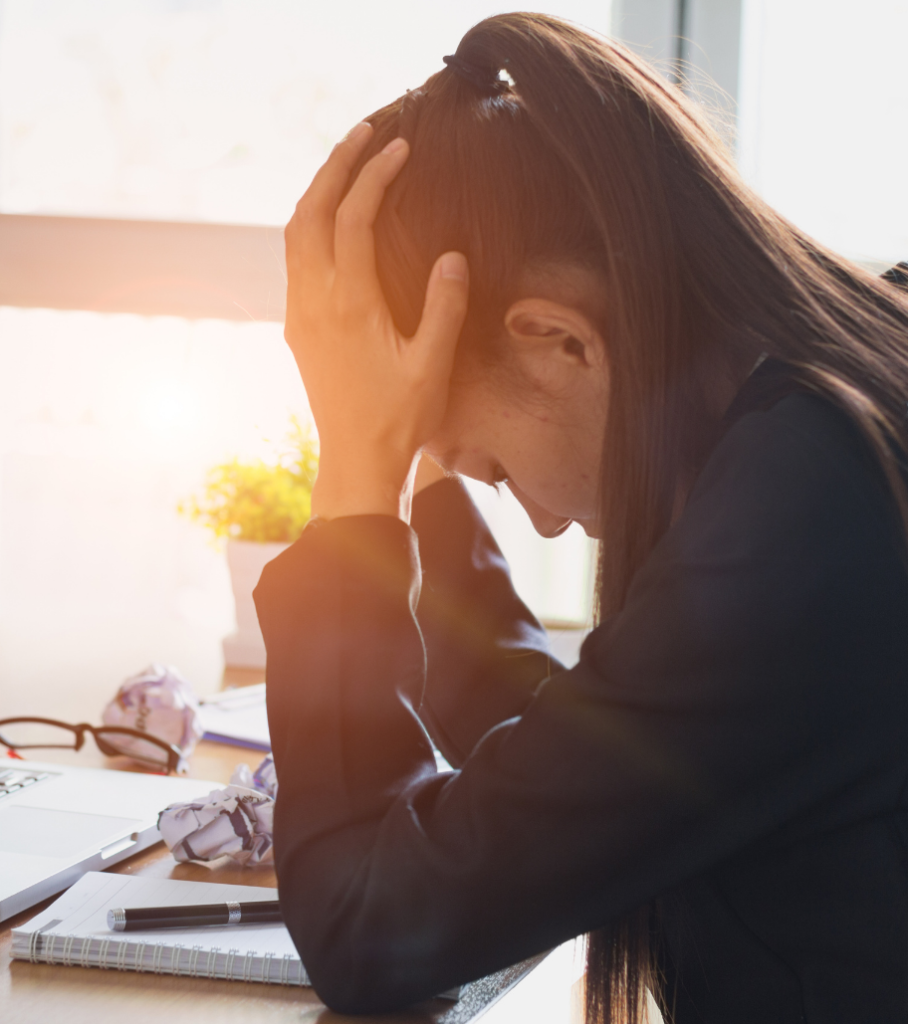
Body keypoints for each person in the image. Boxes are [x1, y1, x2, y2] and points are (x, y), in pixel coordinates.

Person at [254, 12, 908, 1023]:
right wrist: (419, 463)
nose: (545, 525)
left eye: (491, 466)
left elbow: (369, 927)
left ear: (559, 339)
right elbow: (584, 772)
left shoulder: (799, 519)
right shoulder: (838, 397)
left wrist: (353, 478)